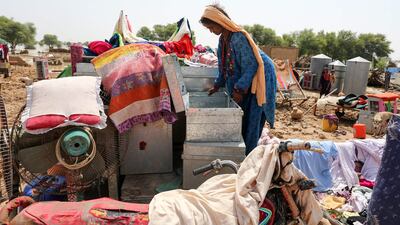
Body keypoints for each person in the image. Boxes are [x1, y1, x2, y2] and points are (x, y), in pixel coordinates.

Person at [200, 4, 277, 154]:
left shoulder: (238, 37)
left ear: (220, 22)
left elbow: (252, 64)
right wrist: (217, 84)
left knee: (252, 117)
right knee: (243, 115)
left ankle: (248, 155)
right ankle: (243, 151)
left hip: (261, 76)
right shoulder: (223, 40)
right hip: (248, 76)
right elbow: (224, 66)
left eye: (211, 27)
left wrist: (239, 89)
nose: (211, 31)